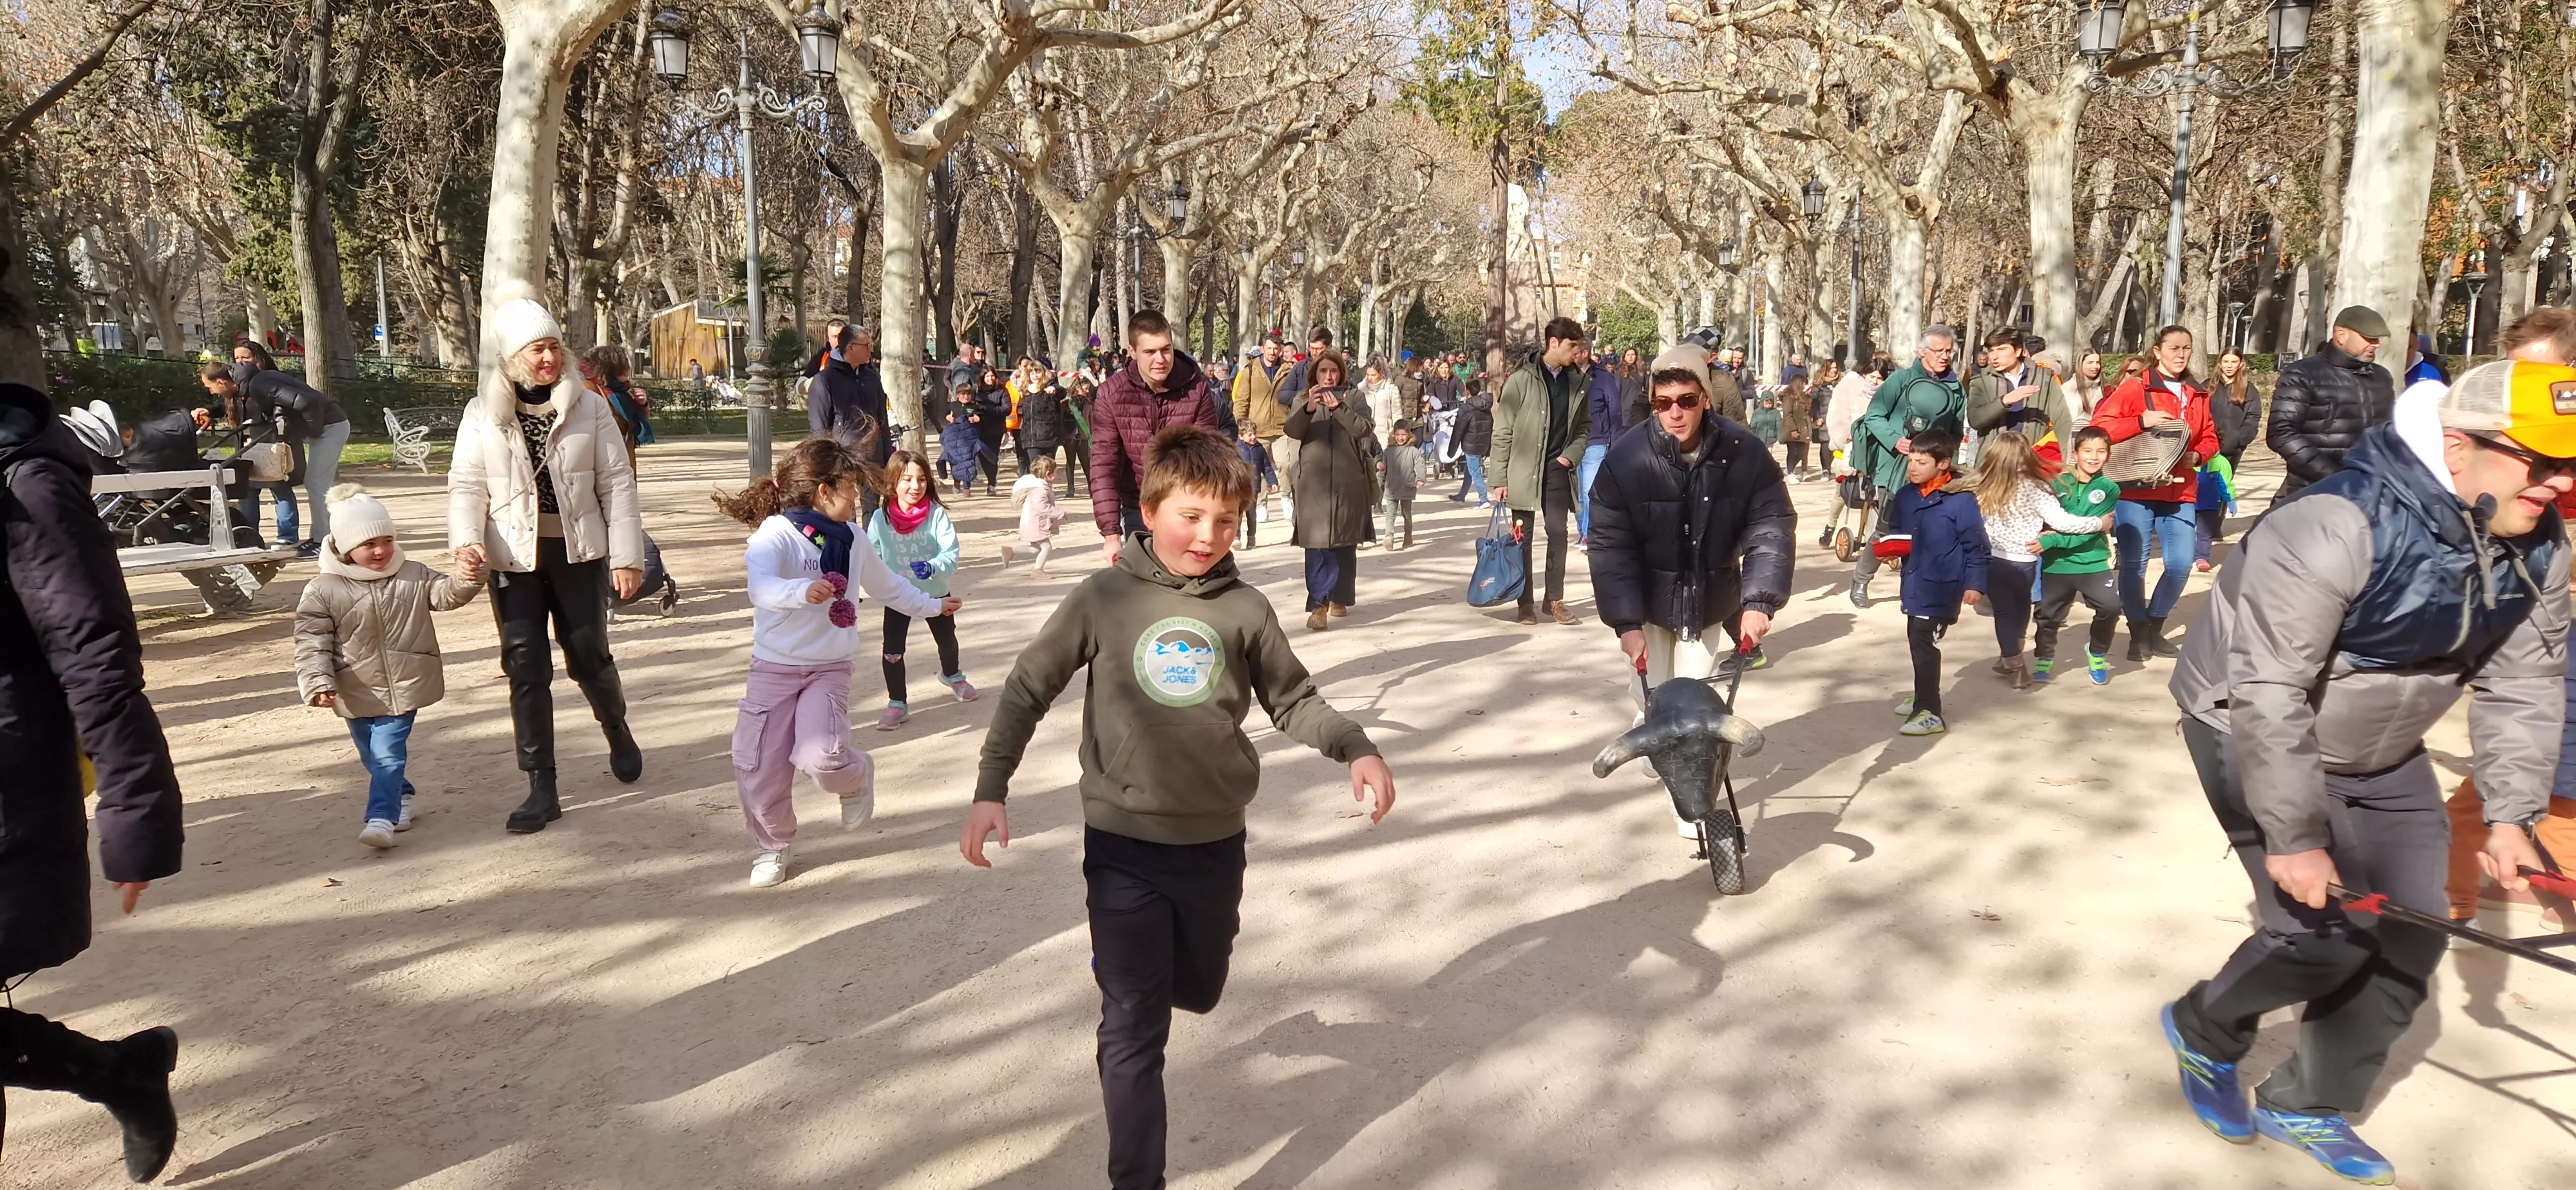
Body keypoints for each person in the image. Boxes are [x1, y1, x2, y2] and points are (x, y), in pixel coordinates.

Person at [2157, 357, 2569, 1185]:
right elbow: (2267, 689)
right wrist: (2295, 835)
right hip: (2249, 728)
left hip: (2385, 751)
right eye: (2540, 459)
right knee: (2320, 934)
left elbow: (2522, 681)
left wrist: (2511, 815)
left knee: (2413, 929)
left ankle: (2305, 1100)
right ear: (2458, 448)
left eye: (2574, 462)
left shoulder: (2540, 544)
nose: (2559, 482)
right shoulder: (2333, 523)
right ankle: (2203, 1030)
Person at [960, 424, 1395, 1190]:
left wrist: (1354, 746)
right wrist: (990, 789)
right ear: (1152, 507)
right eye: (1191, 515)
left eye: (1225, 521)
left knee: (1198, 986)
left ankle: (1141, 970)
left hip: (1214, 843)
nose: (1207, 535)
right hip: (1122, 842)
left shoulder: (1246, 609)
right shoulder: (1104, 597)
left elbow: (1292, 699)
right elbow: (1029, 687)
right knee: (1133, 1024)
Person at [0, 381, 185, 1185]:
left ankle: (119, 1074)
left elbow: (94, 651)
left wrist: (134, 811)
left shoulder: (25, 482)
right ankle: (118, 1073)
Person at [716, 437, 958, 888]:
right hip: (774, 668)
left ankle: (855, 775)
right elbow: (761, 586)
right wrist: (798, 593)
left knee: (823, 760)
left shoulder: (854, 539)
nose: (857, 497)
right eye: (850, 487)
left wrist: (932, 605)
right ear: (824, 492)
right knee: (760, 765)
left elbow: (888, 588)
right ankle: (772, 847)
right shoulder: (776, 534)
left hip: (829, 668)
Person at [446, 298, 646, 834]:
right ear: (512, 357)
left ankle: (616, 727)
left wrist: (627, 558)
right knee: (524, 667)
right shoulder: (481, 412)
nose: (549, 358)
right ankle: (542, 785)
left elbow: (617, 485)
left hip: (577, 552)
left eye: (554, 346)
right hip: (513, 557)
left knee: (588, 658)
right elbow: (467, 485)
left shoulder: (591, 407)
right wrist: (466, 542)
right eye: (537, 349)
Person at [1588, 342, 1795, 722]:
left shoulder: (1744, 453)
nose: (1676, 413)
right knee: (1649, 697)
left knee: (1696, 702)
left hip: (1709, 600)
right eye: (1663, 403)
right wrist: (1626, 623)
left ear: (1705, 400)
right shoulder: (1625, 458)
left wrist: (1759, 602)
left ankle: (1685, 769)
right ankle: (1654, 738)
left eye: (1686, 400)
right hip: (1649, 604)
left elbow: (1771, 527)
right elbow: (1610, 545)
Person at [294, 484, 484, 849]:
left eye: (387, 540)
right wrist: (317, 681)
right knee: (373, 756)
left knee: (387, 754)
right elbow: (310, 641)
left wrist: (468, 575)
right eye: (368, 544)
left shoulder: (413, 574)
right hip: (354, 689)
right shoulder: (322, 589)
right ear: (347, 547)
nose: (381, 551)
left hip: (405, 683)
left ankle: (381, 818)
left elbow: (445, 596)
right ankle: (404, 795)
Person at [2093, 325, 2220, 661]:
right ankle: (2138, 633)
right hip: (2136, 487)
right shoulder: (2137, 387)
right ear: (2157, 351)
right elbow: (2099, 427)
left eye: (2187, 348)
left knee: (2180, 564)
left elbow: (2210, 436)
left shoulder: (2198, 392)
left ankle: (2153, 626)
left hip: (2180, 490)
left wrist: (2199, 455)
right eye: (2174, 348)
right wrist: (2141, 421)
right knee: (2134, 564)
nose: (2181, 354)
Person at [1968, 431, 2111, 689]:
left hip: (1994, 559)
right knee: (2021, 609)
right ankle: (2014, 659)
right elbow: (2063, 523)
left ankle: (2012, 662)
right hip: (2025, 561)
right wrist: (2099, 523)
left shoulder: (1983, 485)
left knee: (2003, 613)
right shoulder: (2036, 487)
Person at [1877, 428, 1985, 736]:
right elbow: (1897, 528)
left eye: (1921, 462)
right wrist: (1892, 550)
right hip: (1914, 582)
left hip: (1943, 587)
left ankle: (1929, 711)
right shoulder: (1906, 495)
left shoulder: (1960, 501)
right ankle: (1922, 693)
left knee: (1925, 643)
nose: (1913, 467)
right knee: (1917, 641)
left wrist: (1975, 584)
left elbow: (1977, 547)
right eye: (1911, 460)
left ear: (1943, 463)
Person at [1090, 310, 1220, 560]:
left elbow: (1208, 458)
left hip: (1187, 501)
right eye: (1150, 352)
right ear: (1132, 352)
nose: (1160, 359)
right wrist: (1111, 535)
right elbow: (1103, 465)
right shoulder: (1111, 394)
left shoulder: (1198, 387)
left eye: (1166, 349)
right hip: (1137, 502)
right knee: (1146, 582)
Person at [1851, 328, 1966, 607]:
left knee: (1929, 531)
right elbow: (1874, 417)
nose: (1945, 356)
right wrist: (1896, 441)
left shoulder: (1956, 387)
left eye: (1949, 351)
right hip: (1897, 467)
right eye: (1939, 351)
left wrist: (1946, 459)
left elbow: (1956, 432)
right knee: (1888, 528)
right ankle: (1861, 579)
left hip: (1935, 471)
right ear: (1921, 351)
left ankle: (1912, 592)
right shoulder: (1900, 381)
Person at [1490, 317, 1593, 625]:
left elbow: (1585, 428)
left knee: (1559, 533)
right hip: (1523, 472)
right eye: (1572, 346)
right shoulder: (1520, 380)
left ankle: (1554, 600)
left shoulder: (1579, 382)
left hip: (1557, 471)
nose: (1577, 352)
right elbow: (1503, 430)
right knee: (1522, 537)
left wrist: (1570, 456)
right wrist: (1498, 479)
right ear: (1553, 343)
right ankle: (1525, 603)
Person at [198, 355, 351, 558]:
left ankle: (323, 541)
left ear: (221, 382)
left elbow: (306, 402)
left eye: (210, 387)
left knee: (316, 483)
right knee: (317, 482)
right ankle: (321, 537)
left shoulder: (261, 384)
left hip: (331, 427)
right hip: (324, 427)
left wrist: (310, 432)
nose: (211, 392)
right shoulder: (249, 385)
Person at [867, 451, 971, 730]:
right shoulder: (880, 519)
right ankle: (897, 703)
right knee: (892, 651)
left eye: (922, 480)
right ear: (893, 482)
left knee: (947, 640)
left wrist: (934, 567)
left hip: (936, 592)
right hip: (898, 596)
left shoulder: (937, 515)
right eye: (908, 480)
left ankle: (952, 674)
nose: (916, 486)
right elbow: (871, 558)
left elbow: (951, 553)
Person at [1282, 350, 1376, 630]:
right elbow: (1292, 430)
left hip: (1349, 483)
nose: (1328, 376)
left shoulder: (1355, 398)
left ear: (1341, 374)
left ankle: (1340, 597)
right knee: (1317, 545)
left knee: (1345, 544)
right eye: (1322, 372)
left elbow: (1364, 429)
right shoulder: (1303, 399)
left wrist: (1339, 409)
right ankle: (1319, 604)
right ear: (1315, 374)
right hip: (1314, 483)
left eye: (1333, 371)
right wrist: (1310, 408)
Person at [2268, 305, 2396, 503]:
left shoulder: (2382, 377)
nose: (2376, 344)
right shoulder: (2303, 374)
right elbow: (2281, 434)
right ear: (2341, 335)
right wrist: (2334, 477)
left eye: (2378, 339)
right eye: (2369, 338)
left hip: (2371, 493)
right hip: (2314, 494)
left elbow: (2390, 432)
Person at [2032, 427, 2123, 686]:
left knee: (2111, 607)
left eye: (2101, 452)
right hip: (2056, 564)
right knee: (2047, 615)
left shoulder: (2110, 489)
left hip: (2092, 562)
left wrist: (2052, 539)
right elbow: (2049, 520)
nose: (2094, 457)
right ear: (2075, 454)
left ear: (2108, 455)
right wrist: (2051, 535)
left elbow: (2089, 528)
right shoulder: (2057, 482)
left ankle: (2096, 653)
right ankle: (2044, 657)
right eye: (2087, 451)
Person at [1964, 326, 2075, 462]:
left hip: (2031, 462)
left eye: (2001, 349)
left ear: (2018, 351)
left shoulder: (2043, 377)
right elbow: (1975, 420)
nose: (1994, 356)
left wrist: (2065, 463)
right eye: (1991, 351)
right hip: (1993, 464)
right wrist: (2005, 401)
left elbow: (2062, 419)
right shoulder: (1981, 380)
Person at [228, 340, 300, 543]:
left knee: (280, 490)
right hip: (246, 446)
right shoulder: (238, 384)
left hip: (271, 444)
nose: (240, 363)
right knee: (248, 492)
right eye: (237, 359)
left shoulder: (270, 382)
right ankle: (249, 536)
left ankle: (287, 536)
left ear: (258, 359)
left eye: (246, 358)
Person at [2199, 347, 2264, 569]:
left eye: (2233, 361)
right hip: (2205, 446)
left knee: (2222, 487)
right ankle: (2201, 528)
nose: (2229, 365)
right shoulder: (2208, 385)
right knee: (2203, 486)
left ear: (2240, 364)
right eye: (2225, 361)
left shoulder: (2249, 390)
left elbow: (2253, 420)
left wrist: (2239, 441)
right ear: (2220, 363)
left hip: (2231, 448)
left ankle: (2216, 524)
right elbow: (2196, 412)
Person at [1231, 334, 1295, 518]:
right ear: (1263, 348)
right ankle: (1261, 505)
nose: (1273, 352)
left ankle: (1285, 497)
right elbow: (1242, 400)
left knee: (1285, 464)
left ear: (1280, 349)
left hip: (1282, 428)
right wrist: (1240, 426)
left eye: (1276, 348)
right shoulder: (1250, 370)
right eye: (1270, 348)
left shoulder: (1287, 370)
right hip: (1256, 429)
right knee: (1256, 468)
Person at [1576, 338, 1625, 546]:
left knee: (1589, 492)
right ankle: (1583, 530)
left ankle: (1589, 534)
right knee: (1577, 496)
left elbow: (1614, 409)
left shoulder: (1603, 378)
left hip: (1596, 442)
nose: (1571, 355)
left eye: (1575, 351)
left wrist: (1616, 442)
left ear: (1585, 353)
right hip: (1571, 445)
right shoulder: (1565, 376)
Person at [1003, 455, 1066, 576]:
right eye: (1056, 472)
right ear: (1048, 474)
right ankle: (1038, 570)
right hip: (1036, 525)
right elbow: (1043, 508)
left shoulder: (1041, 487)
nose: (1057, 475)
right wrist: (1060, 513)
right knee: (1047, 547)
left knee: (1035, 549)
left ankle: (1010, 551)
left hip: (1033, 523)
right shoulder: (1040, 490)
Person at [1449, 379, 1495, 505]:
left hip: (1471, 445)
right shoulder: (1486, 407)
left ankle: (1484, 499)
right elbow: (1491, 425)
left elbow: (1458, 431)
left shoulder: (1465, 408)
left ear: (1467, 391)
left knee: (1475, 472)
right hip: (1483, 444)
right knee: (1471, 469)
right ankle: (1461, 495)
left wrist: (1451, 451)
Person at [1379, 422, 1423, 551]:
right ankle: (1389, 537)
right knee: (1390, 514)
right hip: (1391, 487)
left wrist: (1420, 478)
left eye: (1404, 435)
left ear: (1409, 435)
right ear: (1393, 435)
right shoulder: (1388, 451)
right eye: (1398, 435)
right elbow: (1383, 470)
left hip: (1407, 487)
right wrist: (1380, 483)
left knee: (1406, 513)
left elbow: (1420, 465)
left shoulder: (1413, 451)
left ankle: (1408, 535)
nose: (1401, 438)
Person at [1235, 426, 1277, 549]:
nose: (1253, 437)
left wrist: (1272, 482)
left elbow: (1267, 467)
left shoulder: (1260, 449)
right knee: (1236, 513)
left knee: (1252, 515)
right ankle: (1236, 537)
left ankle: (1251, 537)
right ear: (1241, 436)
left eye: (1254, 434)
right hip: (1238, 488)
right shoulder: (1235, 449)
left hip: (1253, 488)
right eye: (1250, 435)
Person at [1782, 360, 1820, 481]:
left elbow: (1805, 411)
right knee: (1792, 451)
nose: (1805, 385)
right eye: (1803, 383)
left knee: (1802, 452)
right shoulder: (1788, 397)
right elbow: (1788, 414)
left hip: (1802, 428)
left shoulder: (1803, 396)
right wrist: (1793, 429)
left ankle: (1789, 469)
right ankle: (1791, 473)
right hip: (1791, 429)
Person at [2068, 349, 2107, 417]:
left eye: (2098, 363)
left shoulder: (2103, 389)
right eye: (2090, 363)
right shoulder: (2068, 388)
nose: (2095, 366)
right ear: (2080, 364)